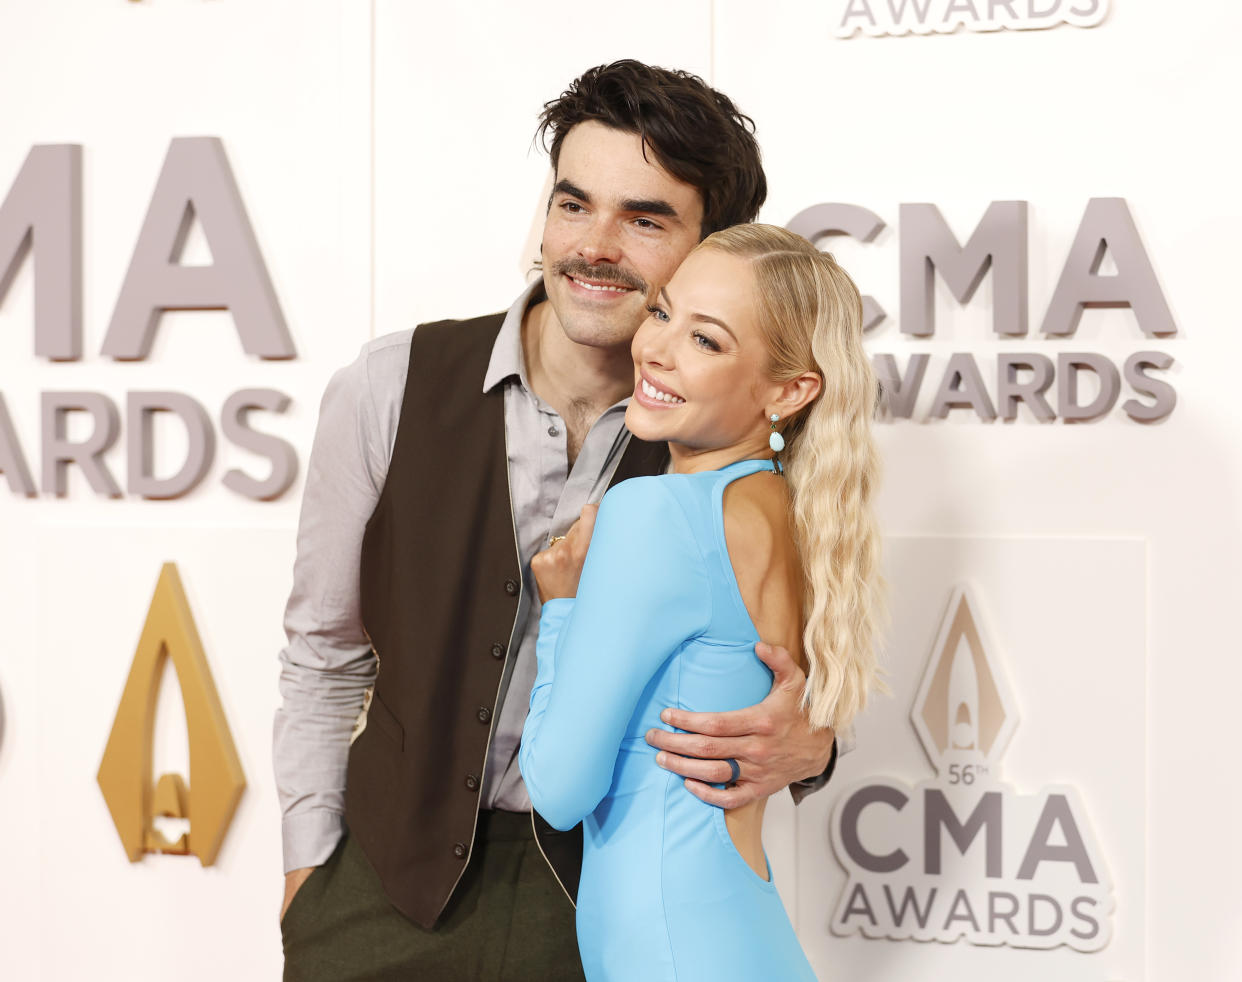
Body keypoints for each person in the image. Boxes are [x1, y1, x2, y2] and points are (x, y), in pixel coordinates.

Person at [274, 62, 839, 982]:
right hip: (378, 900)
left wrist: (813, 745)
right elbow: (322, 656)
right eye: (573, 205)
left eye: (644, 219)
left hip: (599, 919)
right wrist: (310, 880)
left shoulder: (741, 445)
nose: (593, 246)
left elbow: (782, 676)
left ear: (713, 249)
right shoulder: (388, 385)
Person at [519, 224, 883, 981]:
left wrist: (560, 610)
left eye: (707, 341)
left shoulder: (656, 513)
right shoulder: (790, 514)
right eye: (662, 314)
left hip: (672, 950)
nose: (655, 350)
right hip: (734, 937)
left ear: (788, 391)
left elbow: (557, 789)